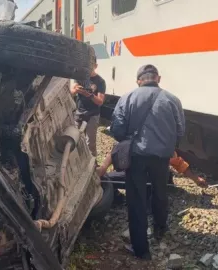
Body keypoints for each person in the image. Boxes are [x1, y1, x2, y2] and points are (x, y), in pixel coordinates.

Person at [110, 64, 185, 260]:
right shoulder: (172, 100)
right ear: (158, 78)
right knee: (160, 192)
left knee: (136, 200)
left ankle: (141, 250)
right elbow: (180, 132)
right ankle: (160, 229)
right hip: (161, 157)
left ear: (138, 81)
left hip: (136, 157)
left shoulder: (127, 98)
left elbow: (117, 130)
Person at [70, 56, 106, 157]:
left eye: (90, 66)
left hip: (92, 115)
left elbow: (100, 102)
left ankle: (92, 162)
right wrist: (76, 90)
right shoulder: (79, 78)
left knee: (90, 142)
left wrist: (88, 95)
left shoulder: (100, 81)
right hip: (79, 113)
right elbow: (71, 92)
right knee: (75, 138)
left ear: (95, 66)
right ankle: (78, 159)